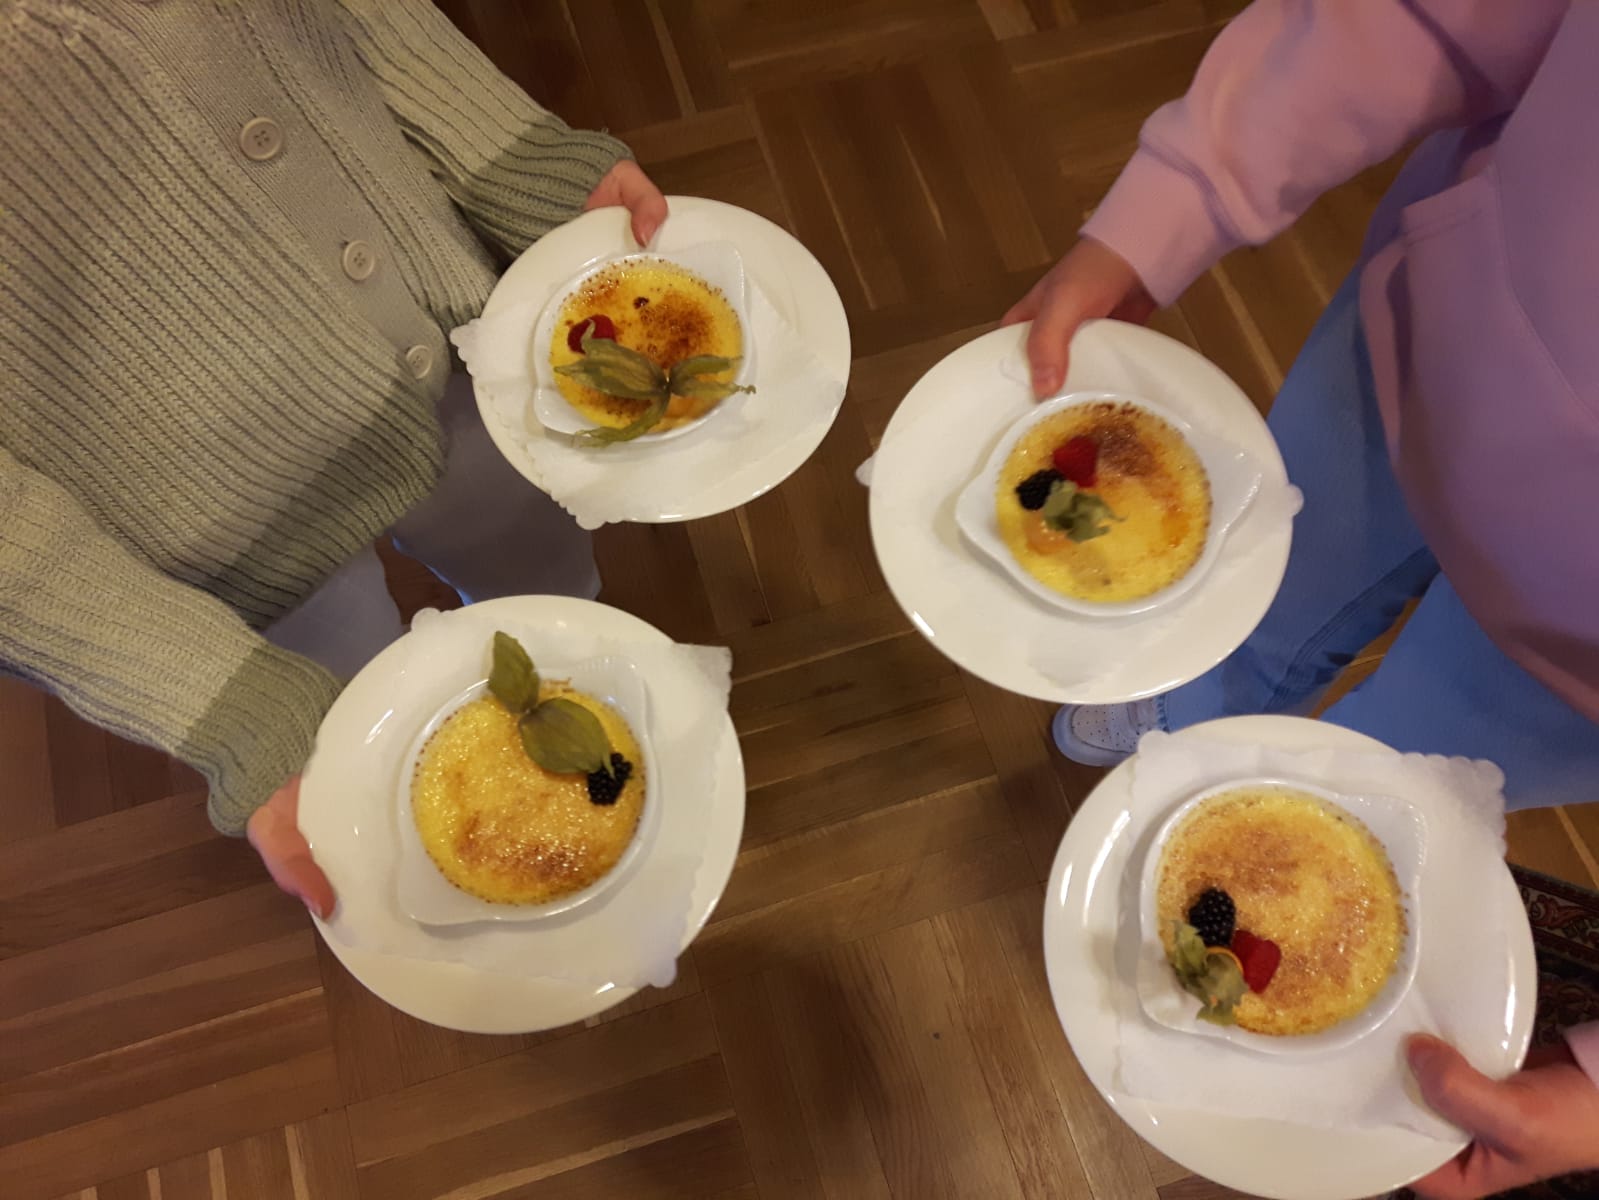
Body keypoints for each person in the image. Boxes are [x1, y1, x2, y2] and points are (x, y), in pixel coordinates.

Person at [1003, 3, 1599, 1194]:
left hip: (1568, 673)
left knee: (1367, 815)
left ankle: (1211, 833)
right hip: (1427, 341)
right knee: (1248, 599)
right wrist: (1180, 195)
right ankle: (1177, 724)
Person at [0, 0, 666, 918]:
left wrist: (505, 153)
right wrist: (225, 704)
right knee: (376, 745)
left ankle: (574, 653)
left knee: (538, 562)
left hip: (443, 346)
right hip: (214, 522)